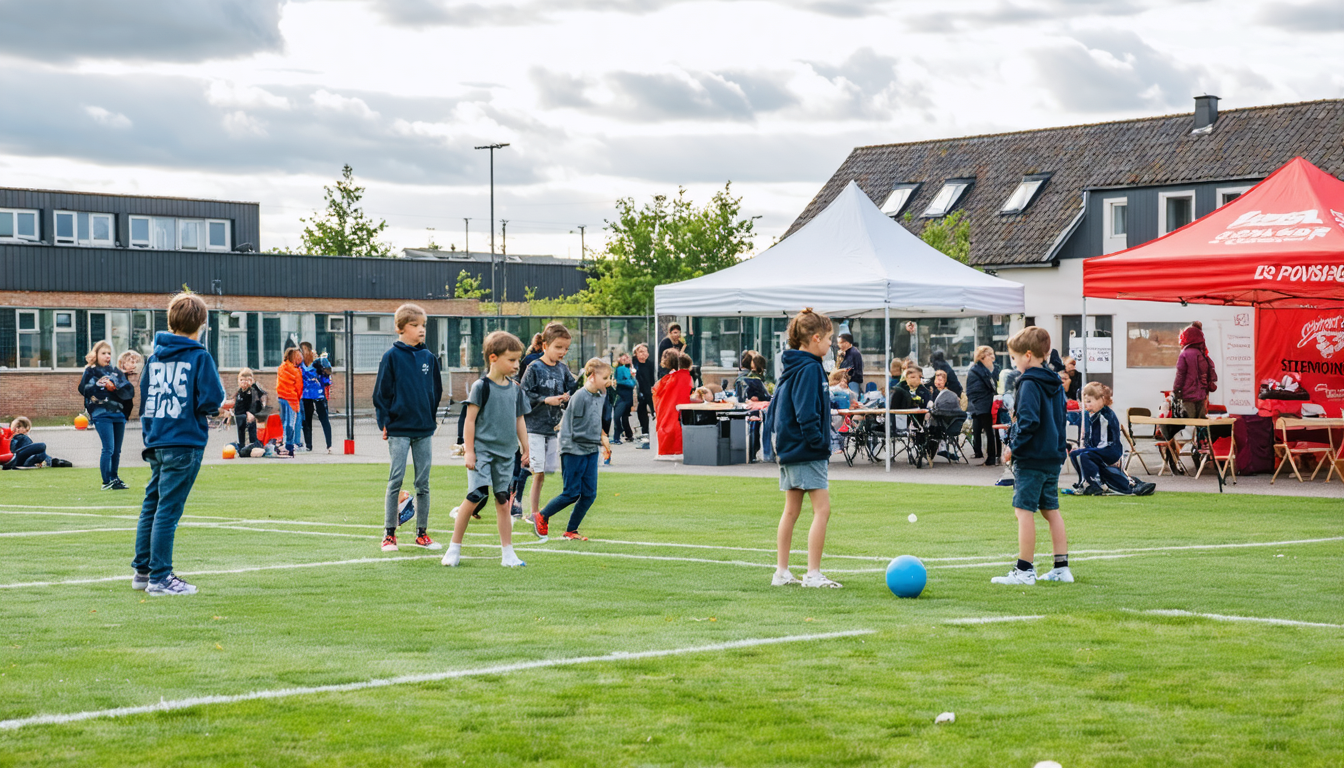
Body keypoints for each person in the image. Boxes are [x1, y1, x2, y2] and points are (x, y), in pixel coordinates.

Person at [133, 292, 225, 596]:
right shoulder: (200, 357)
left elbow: (146, 399)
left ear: (171, 321)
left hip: (157, 439)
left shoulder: (154, 358)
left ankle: (143, 571)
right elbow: (211, 399)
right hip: (184, 441)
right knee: (168, 510)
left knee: (152, 505)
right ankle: (160, 577)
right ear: (202, 323)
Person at [766, 308, 841, 589]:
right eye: (829, 338)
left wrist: (828, 381)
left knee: (791, 511)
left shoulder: (796, 365)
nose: (831, 344)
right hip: (806, 450)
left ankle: (782, 572)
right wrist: (819, 443)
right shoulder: (810, 368)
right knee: (822, 510)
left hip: (789, 449)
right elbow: (806, 412)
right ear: (816, 338)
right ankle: (813, 573)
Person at [443, 331, 531, 567]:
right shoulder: (481, 387)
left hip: (506, 454)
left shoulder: (516, 389)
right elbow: (469, 420)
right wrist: (470, 451)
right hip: (482, 452)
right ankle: (454, 548)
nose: (516, 365)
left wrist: (526, 447)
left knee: (503, 500)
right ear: (493, 358)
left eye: (518, 360)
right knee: (476, 494)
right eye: (511, 360)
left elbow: (519, 420)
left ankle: (508, 554)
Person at [992, 326, 1070, 587]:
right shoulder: (1055, 382)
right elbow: (1060, 419)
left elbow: (1028, 421)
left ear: (1027, 355)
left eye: (1014, 358)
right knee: (1051, 511)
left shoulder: (1027, 383)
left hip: (1032, 456)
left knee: (1023, 511)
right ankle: (1061, 568)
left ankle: (1024, 570)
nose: (1014, 363)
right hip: (1052, 456)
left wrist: (1012, 447)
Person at [373, 303, 443, 553]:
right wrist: (384, 422)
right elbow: (381, 393)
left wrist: (429, 418)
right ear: (400, 328)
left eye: (423, 325)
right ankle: (389, 534)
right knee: (396, 479)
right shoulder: (391, 357)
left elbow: (436, 391)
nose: (421, 329)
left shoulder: (429, 358)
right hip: (399, 429)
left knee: (423, 484)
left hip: (424, 430)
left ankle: (421, 533)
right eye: (415, 325)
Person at [529, 357, 613, 543]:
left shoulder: (599, 396)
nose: (608, 381)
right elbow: (573, 429)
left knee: (589, 494)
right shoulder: (580, 397)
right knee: (571, 493)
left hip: (590, 449)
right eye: (605, 378)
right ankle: (541, 515)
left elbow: (594, 421)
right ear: (592, 377)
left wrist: (603, 439)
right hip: (573, 450)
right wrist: (595, 439)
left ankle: (571, 530)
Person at [521, 323, 577, 520]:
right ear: (545, 345)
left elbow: (574, 388)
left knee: (545, 471)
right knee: (538, 472)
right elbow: (523, 395)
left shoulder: (563, 369)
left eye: (566, 348)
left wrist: (568, 396)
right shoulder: (534, 367)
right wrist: (546, 400)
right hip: (533, 428)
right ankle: (533, 513)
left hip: (553, 428)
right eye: (558, 347)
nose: (563, 352)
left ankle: (525, 502)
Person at [80, 340, 135, 490]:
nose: (107, 356)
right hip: (101, 414)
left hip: (118, 414)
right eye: (103, 353)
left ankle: (114, 478)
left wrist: (116, 386)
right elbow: (83, 389)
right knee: (108, 448)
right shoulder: (90, 371)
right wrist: (97, 385)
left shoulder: (116, 371)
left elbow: (128, 391)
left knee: (117, 450)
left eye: (109, 353)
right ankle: (106, 481)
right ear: (96, 354)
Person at [1068, 382, 1123, 496]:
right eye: (1085, 401)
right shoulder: (1094, 414)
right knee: (1074, 454)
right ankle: (1083, 481)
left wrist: (1089, 449)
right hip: (1100, 448)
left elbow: (1104, 442)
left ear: (1102, 399)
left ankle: (1095, 484)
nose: (1086, 404)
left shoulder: (1105, 416)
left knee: (1084, 455)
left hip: (1110, 450)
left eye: (1089, 401)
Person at [652, 350, 695, 456]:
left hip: (666, 408)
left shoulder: (667, 378)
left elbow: (656, 390)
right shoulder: (684, 377)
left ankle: (668, 449)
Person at [967, 345, 1000, 466]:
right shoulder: (975, 371)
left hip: (993, 403)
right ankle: (991, 457)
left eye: (993, 354)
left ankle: (996, 456)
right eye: (989, 354)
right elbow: (974, 391)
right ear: (981, 357)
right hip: (983, 405)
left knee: (995, 431)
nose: (993, 357)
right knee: (988, 431)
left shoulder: (993, 369)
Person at [300, 342, 334, 454]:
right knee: (307, 420)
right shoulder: (300, 364)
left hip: (318, 394)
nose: (303, 353)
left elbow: (328, 373)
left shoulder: (319, 362)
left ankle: (329, 445)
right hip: (306, 395)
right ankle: (308, 445)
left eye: (305, 350)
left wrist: (324, 368)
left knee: (324, 419)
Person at [226, 368, 268, 447]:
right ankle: (242, 446)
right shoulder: (239, 391)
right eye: (241, 380)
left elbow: (258, 399)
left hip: (249, 415)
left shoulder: (253, 390)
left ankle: (253, 445)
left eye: (246, 380)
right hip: (239, 415)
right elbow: (235, 402)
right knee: (241, 433)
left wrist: (251, 412)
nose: (243, 382)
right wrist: (230, 412)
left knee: (251, 431)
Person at [275, 347, 303, 457]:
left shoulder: (281, 367)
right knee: (291, 422)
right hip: (292, 399)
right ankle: (289, 445)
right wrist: (297, 398)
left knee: (283, 421)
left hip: (281, 397)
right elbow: (299, 387)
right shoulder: (296, 371)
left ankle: (280, 443)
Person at [632, 343, 655, 446]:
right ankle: (644, 431)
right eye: (641, 352)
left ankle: (653, 430)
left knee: (654, 409)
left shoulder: (650, 364)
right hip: (638, 391)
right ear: (636, 354)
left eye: (645, 351)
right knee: (641, 411)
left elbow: (651, 378)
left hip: (648, 390)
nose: (644, 354)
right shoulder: (634, 364)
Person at [836, 333, 864, 400]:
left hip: (852, 381)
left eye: (840, 343)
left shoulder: (854, 353)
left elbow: (850, 368)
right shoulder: (846, 353)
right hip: (846, 381)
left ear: (846, 343)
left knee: (853, 399)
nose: (838, 345)